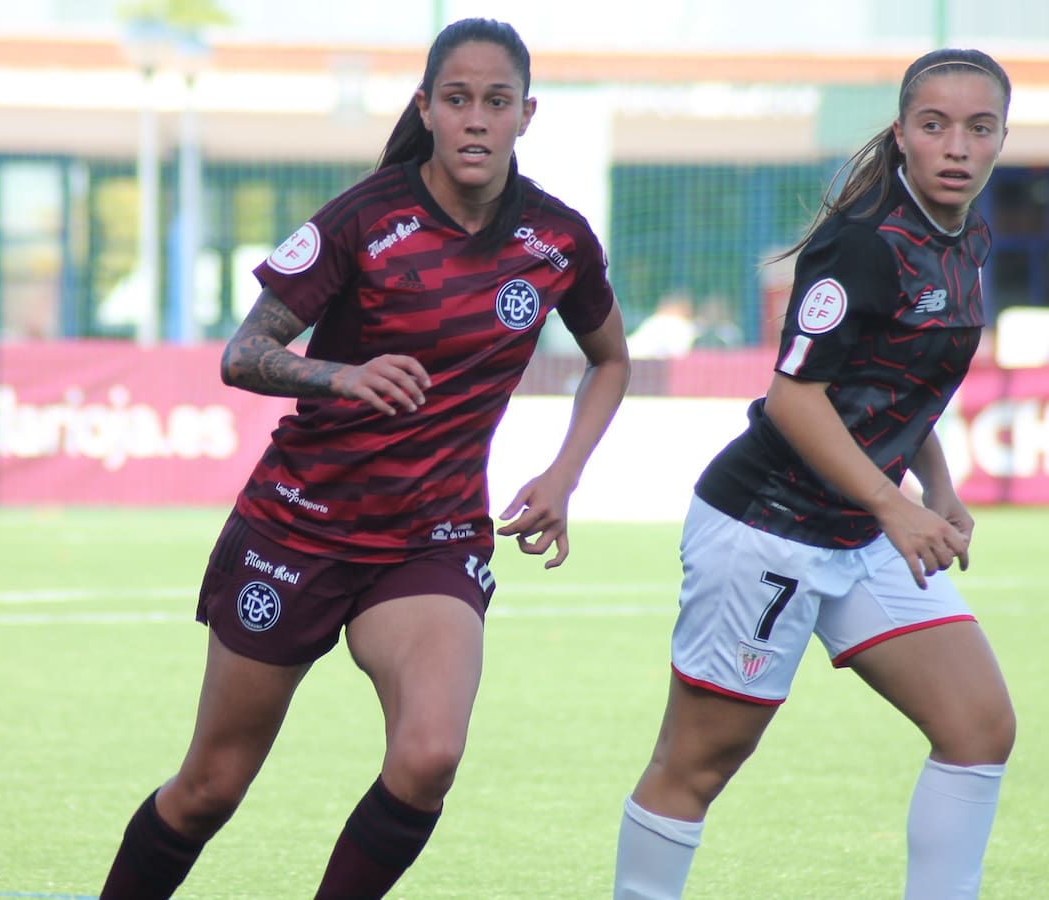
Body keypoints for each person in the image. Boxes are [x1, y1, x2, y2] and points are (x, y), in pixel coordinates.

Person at [99, 17, 630, 899]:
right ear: (425, 108)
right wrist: (341, 375)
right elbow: (242, 354)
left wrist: (563, 474)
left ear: (525, 115)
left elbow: (611, 359)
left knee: (430, 756)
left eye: (496, 101)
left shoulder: (557, 241)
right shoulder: (365, 217)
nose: (475, 119)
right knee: (209, 789)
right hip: (299, 529)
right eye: (456, 99)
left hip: (430, 541)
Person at [613, 48, 1015, 900]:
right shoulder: (865, 244)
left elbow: (907, 380)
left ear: (1002, 139)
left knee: (979, 727)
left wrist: (939, 488)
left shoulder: (968, 235)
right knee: (699, 762)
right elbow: (794, 399)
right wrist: (897, 507)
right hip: (770, 527)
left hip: (860, 528)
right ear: (901, 133)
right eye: (935, 125)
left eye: (979, 128)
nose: (957, 146)